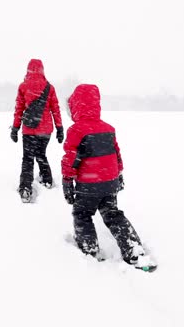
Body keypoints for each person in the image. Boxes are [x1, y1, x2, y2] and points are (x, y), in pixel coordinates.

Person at [61, 84, 155, 270]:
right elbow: (116, 154)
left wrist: (67, 180)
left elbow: (70, 158)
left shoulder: (76, 130)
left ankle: (90, 249)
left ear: (76, 106)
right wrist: (119, 175)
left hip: (88, 184)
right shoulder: (108, 128)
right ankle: (133, 250)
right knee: (112, 214)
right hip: (109, 181)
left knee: (82, 213)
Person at [11, 59, 64, 202]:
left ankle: (26, 189)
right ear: (42, 70)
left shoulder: (23, 87)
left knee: (27, 159)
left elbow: (19, 109)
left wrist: (15, 128)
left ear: (28, 70)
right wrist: (59, 128)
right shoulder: (49, 88)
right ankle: (47, 181)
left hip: (29, 130)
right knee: (41, 155)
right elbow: (55, 109)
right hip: (45, 130)